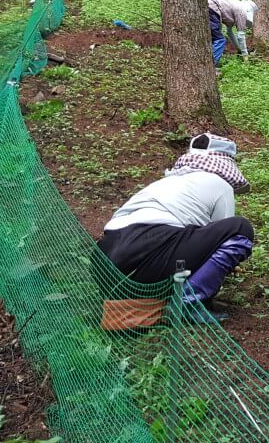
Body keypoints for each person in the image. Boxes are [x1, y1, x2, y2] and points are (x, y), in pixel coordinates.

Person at [96, 134, 254, 318]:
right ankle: (187, 304)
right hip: (147, 254)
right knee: (240, 229)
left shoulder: (168, 181)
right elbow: (222, 238)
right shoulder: (221, 184)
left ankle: (143, 301)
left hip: (104, 263)